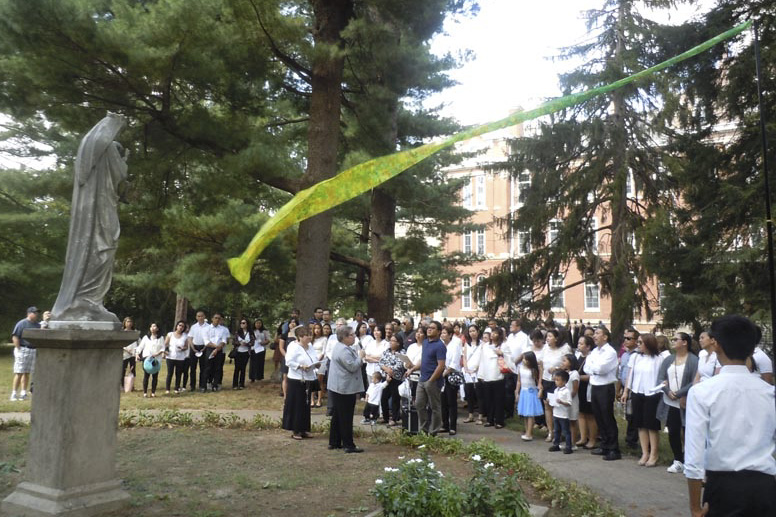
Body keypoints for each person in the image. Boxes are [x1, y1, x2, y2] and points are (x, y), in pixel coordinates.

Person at [684, 315, 776, 517]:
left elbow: (694, 456)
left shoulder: (702, 392)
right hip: (765, 486)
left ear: (716, 344)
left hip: (723, 486)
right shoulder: (769, 392)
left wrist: (695, 508)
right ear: (752, 349)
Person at [656, 331, 698, 475]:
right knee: (673, 431)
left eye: (676, 339)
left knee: (687, 431)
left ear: (685, 342)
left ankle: (689, 460)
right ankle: (677, 460)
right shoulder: (669, 359)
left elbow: (695, 381)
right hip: (670, 402)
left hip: (685, 402)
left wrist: (680, 394)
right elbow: (660, 377)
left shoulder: (693, 360)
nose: (673, 341)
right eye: (672, 339)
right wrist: (668, 391)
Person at [620, 333, 662, 467]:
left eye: (640, 343)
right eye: (637, 342)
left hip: (652, 393)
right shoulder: (636, 357)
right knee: (640, 424)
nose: (638, 345)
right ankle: (645, 453)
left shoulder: (658, 358)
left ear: (648, 344)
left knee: (651, 425)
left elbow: (662, 376)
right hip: (637, 392)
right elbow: (630, 375)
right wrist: (626, 391)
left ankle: (654, 453)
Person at [583, 326, 621, 461]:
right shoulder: (594, 352)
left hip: (605, 387)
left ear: (605, 337)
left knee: (607, 417)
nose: (594, 336)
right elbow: (587, 368)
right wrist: (594, 368)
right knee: (598, 416)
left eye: (597, 333)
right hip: (595, 385)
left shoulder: (610, 352)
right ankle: (604, 444)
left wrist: (594, 368)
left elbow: (601, 369)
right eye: (594, 334)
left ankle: (613, 448)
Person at [327, 325, 365, 453]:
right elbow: (353, 366)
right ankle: (349, 445)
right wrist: (361, 356)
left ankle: (334, 441)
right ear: (344, 337)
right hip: (344, 388)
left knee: (338, 415)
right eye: (352, 335)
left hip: (339, 386)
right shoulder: (343, 350)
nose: (354, 336)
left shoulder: (341, 347)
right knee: (346, 417)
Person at [282, 326, 318, 440]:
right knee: (296, 405)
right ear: (300, 337)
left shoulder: (310, 346)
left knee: (305, 405)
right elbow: (289, 361)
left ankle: (304, 429)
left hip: (308, 378)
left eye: (310, 335)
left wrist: (316, 364)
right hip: (296, 379)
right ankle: (295, 430)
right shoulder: (293, 346)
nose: (310, 337)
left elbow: (314, 357)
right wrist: (300, 366)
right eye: (307, 335)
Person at [477, 327, 514, 429]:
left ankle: (499, 421)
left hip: (498, 376)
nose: (493, 335)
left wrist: (501, 354)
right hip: (487, 375)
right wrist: (481, 375)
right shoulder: (485, 346)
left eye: (495, 333)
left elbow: (510, 359)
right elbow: (482, 361)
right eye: (492, 333)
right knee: (488, 399)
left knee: (498, 399)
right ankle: (490, 419)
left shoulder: (504, 346)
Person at [538, 328, 571, 442]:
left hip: (558, 382)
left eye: (550, 336)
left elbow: (568, 363)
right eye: (547, 336)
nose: (547, 338)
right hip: (546, 380)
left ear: (556, 338)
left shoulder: (564, 348)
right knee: (547, 406)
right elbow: (541, 366)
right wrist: (540, 382)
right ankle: (550, 431)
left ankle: (560, 432)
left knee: (557, 406)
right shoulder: (545, 349)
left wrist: (557, 369)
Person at [416, 321, 446, 435]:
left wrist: (431, 380)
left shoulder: (440, 346)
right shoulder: (425, 342)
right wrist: (412, 368)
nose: (429, 329)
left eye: (432, 328)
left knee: (435, 407)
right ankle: (423, 430)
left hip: (433, 381)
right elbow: (424, 361)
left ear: (438, 332)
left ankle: (433, 432)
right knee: (419, 404)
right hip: (422, 379)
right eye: (428, 328)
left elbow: (441, 365)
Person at [10, 307, 40, 401]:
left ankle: (23, 392)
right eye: (35, 313)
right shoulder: (22, 323)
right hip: (22, 349)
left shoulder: (37, 325)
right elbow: (15, 336)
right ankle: (14, 393)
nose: (36, 315)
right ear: (29, 313)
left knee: (27, 372)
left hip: (32, 350)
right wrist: (18, 348)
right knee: (19, 372)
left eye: (37, 313)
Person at [618, 328, 640, 449]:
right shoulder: (625, 355)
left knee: (633, 414)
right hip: (624, 386)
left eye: (629, 338)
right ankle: (629, 437)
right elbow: (621, 372)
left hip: (634, 387)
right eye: (624, 338)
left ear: (636, 341)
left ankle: (632, 439)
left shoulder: (638, 355)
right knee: (627, 413)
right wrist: (619, 388)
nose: (625, 341)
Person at [575, 335, 598, 449]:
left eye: (581, 343)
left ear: (588, 346)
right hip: (579, 387)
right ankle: (583, 437)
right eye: (578, 343)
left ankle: (592, 439)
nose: (579, 345)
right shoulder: (578, 356)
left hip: (587, 387)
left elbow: (592, 375)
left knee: (590, 415)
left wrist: (577, 377)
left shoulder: (591, 358)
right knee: (581, 413)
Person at [378, 334, 406, 427]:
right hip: (385, 377)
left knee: (395, 399)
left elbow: (400, 365)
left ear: (398, 343)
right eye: (390, 340)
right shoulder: (386, 351)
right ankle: (385, 417)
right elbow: (381, 362)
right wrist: (386, 369)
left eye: (393, 341)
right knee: (384, 397)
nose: (391, 342)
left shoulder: (402, 352)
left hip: (396, 378)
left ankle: (394, 418)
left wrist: (390, 371)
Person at [440, 326, 462, 435]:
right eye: (442, 333)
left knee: (451, 402)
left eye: (445, 333)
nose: (443, 335)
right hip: (441, 374)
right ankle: (445, 425)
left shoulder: (455, 345)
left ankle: (453, 426)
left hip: (451, 375)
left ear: (450, 335)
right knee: (443, 401)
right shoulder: (440, 344)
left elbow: (455, 362)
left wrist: (445, 372)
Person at [516, 351, 543, 441]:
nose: (524, 361)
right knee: (525, 413)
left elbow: (538, 380)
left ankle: (529, 433)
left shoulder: (533, 370)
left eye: (526, 359)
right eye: (523, 359)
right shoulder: (520, 368)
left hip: (531, 391)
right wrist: (517, 391)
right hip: (523, 391)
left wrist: (540, 390)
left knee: (530, 413)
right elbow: (519, 381)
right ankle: (527, 430)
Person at [137, 323, 164, 398]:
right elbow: (140, 347)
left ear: (158, 329)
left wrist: (157, 353)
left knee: (155, 376)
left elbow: (163, 348)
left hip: (156, 359)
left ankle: (153, 392)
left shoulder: (160, 338)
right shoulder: (146, 337)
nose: (153, 328)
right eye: (151, 326)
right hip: (147, 359)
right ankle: (145, 393)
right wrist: (137, 354)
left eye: (155, 326)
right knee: (146, 375)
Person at [548, 370, 573, 454]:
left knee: (566, 431)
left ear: (564, 381)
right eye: (555, 380)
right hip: (556, 413)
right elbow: (553, 401)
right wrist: (549, 400)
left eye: (558, 380)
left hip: (563, 415)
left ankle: (568, 446)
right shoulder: (556, 390)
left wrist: (562, 402)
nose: (556, 382)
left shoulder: (566, 391)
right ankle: (556, 444)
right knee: (557, 430)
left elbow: (569, 403)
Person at [462, 325, 482, 424]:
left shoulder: (482, 344)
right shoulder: (467, 344)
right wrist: (466, 368)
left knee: (479, 394)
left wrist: (476, 368)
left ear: (478, 332)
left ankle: (480, 416)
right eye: (470, 331)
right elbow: (464, 357)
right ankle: (470, 415)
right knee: (469, 394)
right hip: (468, 373)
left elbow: (482, 358)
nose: (472, 333)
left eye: (474, 331)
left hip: (478, 372)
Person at [187, 310, 210, 392]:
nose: (200, 318)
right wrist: (193, 348)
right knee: (193, 368)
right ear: (196, 317)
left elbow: (209, 339)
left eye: (202, 316)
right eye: (198, 316)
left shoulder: (208, 327)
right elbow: (190, 338)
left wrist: (204, 348)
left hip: (204, 347)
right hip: (194, 347)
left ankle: (202, 385)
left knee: (203, 368)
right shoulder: (193, 327)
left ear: (204, 317)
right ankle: (192, 386)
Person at [206, 313, 230, 391]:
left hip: (220, 350)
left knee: (218, 368)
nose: (217, 320)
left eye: (219, 318)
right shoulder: (207, 328)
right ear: (212, 319)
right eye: (215, 318)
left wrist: (217, 349)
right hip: (210, 349)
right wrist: (215, 347)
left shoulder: (223, 329)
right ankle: (209, 382)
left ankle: (216, 384)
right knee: (209, 367)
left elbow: (224, 340)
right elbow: (206, 341)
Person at [164, 320, 188, 394]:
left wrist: (182, 348)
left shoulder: (185, 336)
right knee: (170, 373)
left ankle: (176, 388)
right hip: (170, 356)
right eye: (179, 325)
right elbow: (165, 344)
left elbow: (186, 346)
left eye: (182, 326)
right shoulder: (170, 334)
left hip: (180, 357)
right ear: (176, 326)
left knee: (178, 373)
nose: (181, 327)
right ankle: (167, 389)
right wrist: (166, 351)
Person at [232, 318, 253, 389]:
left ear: (247, 324)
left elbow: (252, 342)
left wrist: (247, 344)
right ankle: (235, 384)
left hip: (246, 352)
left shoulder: (250, 333)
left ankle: (241, 384)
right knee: (237, 368)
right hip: (238, 352)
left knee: (243, 368)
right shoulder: (237, 332)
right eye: (241, 323)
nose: (242, 324)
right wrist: (239, 343)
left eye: (244, 323)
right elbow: (233, 342)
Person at [121, 316, 139, 389]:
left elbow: (139, 342)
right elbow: (120, 343)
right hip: (125, 354)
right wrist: (126, 349)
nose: (129, 323)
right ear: (124, 323)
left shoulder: (135, 332)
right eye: (128, 322)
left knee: (132, 370)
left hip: (133, 354)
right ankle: (122, 385)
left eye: (130, 322)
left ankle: (131, 385)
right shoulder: (122, 332)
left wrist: (136, 351)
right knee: (123, 369)